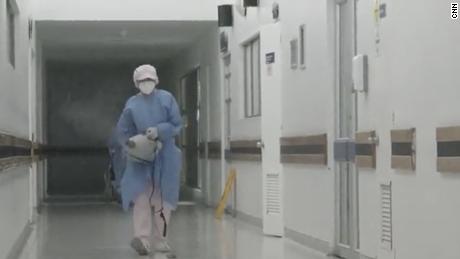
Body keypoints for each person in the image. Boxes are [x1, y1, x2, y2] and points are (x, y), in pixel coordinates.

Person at [116, 64, 182, 256]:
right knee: (142, 199)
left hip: (165, 155)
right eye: (143, 81)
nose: (146, 83)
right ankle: (142, 240)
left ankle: (161, 240)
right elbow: (123, 130)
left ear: (156, 80)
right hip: (141, 158)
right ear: (136, 83)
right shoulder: (132, 104)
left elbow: (177, 124)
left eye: (149, 80)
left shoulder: (166, 99)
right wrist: (130, 143)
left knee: (162, 200)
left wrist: (160, 131)